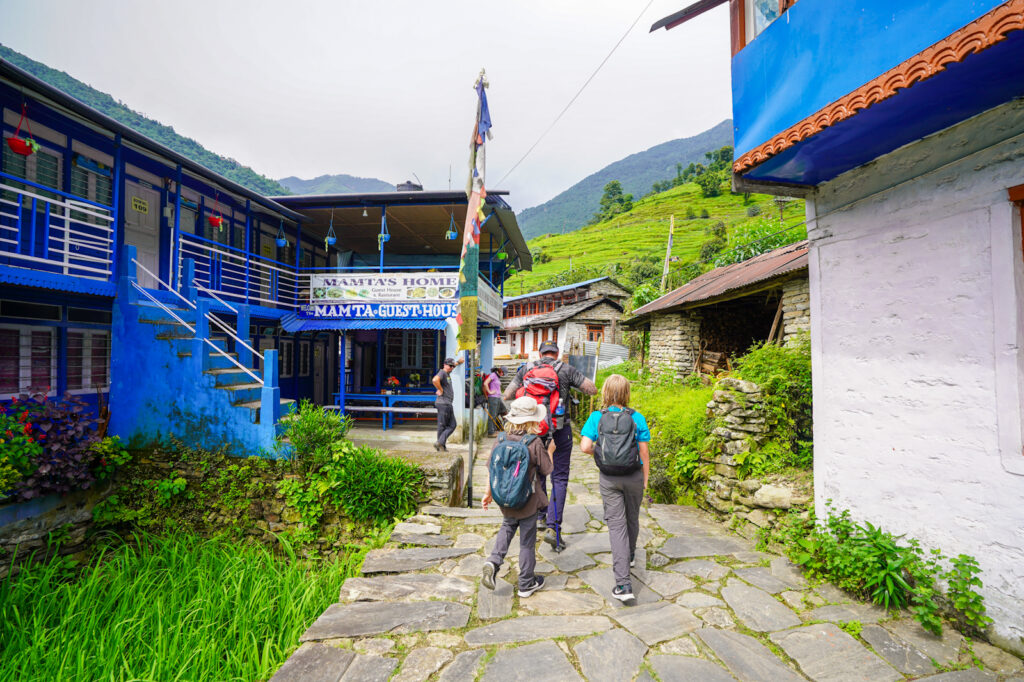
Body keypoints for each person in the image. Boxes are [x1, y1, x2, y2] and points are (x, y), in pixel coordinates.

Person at [503, 341, 597, 550]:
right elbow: (592, 389)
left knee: (538, 474)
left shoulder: (527, 369)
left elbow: (508, 394)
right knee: (560, 477)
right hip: (559, 431)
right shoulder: (566, 369)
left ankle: (540, 516)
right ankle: (554, 529)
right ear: (557, 353)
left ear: (539, 353)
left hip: (532, 432)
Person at [579, 374, 650, 604]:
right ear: (627, 393)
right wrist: (645, 479)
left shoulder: (596, 417)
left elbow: (584, 447)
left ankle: (623, 584)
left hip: (609, 478)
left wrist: (601, 453)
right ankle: (628, 557)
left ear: (606, 393)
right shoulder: (637, 418)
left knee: (617, 527)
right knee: (632, 519)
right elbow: (644, 452)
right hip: (634, 476)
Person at [481, 396, 553, 597]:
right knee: (527, 542)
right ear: (532, 421)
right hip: (527, 501)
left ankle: (493, 562)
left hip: (505, 498)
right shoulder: (534, 442)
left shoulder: (501, 439)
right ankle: (526, 583)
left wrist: (488, 493)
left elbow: (491, 470)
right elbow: (547, 469)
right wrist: (551, 451)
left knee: (507, 527)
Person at [432, 355, 464, 451]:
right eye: (450, 366)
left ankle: (441, 444)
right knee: (444, 425)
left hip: (447, 403)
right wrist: (440, 389)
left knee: (451, 425)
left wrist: (458, 362)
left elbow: (453, 365)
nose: (452, 367)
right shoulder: (442, 372)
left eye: (453, 366)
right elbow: (434, 380)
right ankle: (440, 445)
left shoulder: (447, 373)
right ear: (444, 365)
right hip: (443, 403)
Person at [483, 366, 506, 436]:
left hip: (497, 397)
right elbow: (485, 383)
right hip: (493, 398)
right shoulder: (493, 375)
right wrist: (489, 392)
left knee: (495, 414)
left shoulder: (497, 377)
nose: (503, 375)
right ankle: (491, 432)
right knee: (492, 415)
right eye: (503, 374)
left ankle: (493, 430)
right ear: (501, 372)